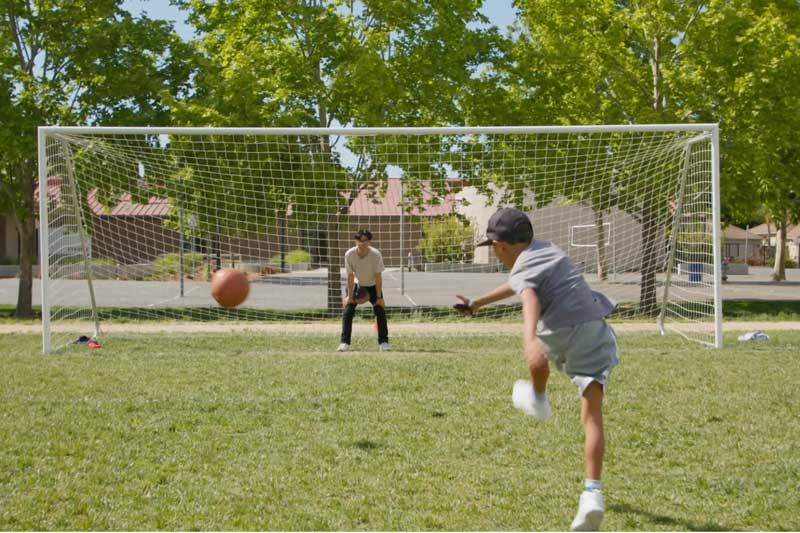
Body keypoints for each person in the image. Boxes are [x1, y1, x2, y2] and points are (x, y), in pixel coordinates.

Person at [454, 208, 618, 532]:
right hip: (594, 329)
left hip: (557, 330)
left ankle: (540, 399)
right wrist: (477, 304)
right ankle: (592, 494)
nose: (497, 254)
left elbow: (528, 297)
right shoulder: (550, 250)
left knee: (541, 352)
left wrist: (529, 339)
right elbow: (517, 285)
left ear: (501, 245)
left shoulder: (522, 265)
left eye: (495, 248)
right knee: (592, 415)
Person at [338, 229, 390, 352]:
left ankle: (383, 343)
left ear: (370, 242)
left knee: (380, 311)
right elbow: (350, 276)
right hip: (357, 285)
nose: (362, 243)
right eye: (360, 241)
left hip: (373, 286)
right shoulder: (349, 254)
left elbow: (378, 276)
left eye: (365, 241)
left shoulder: (376, 255)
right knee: (348, 311)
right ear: (355, 241)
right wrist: (349, 296)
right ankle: (344, 343)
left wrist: (379, 298)